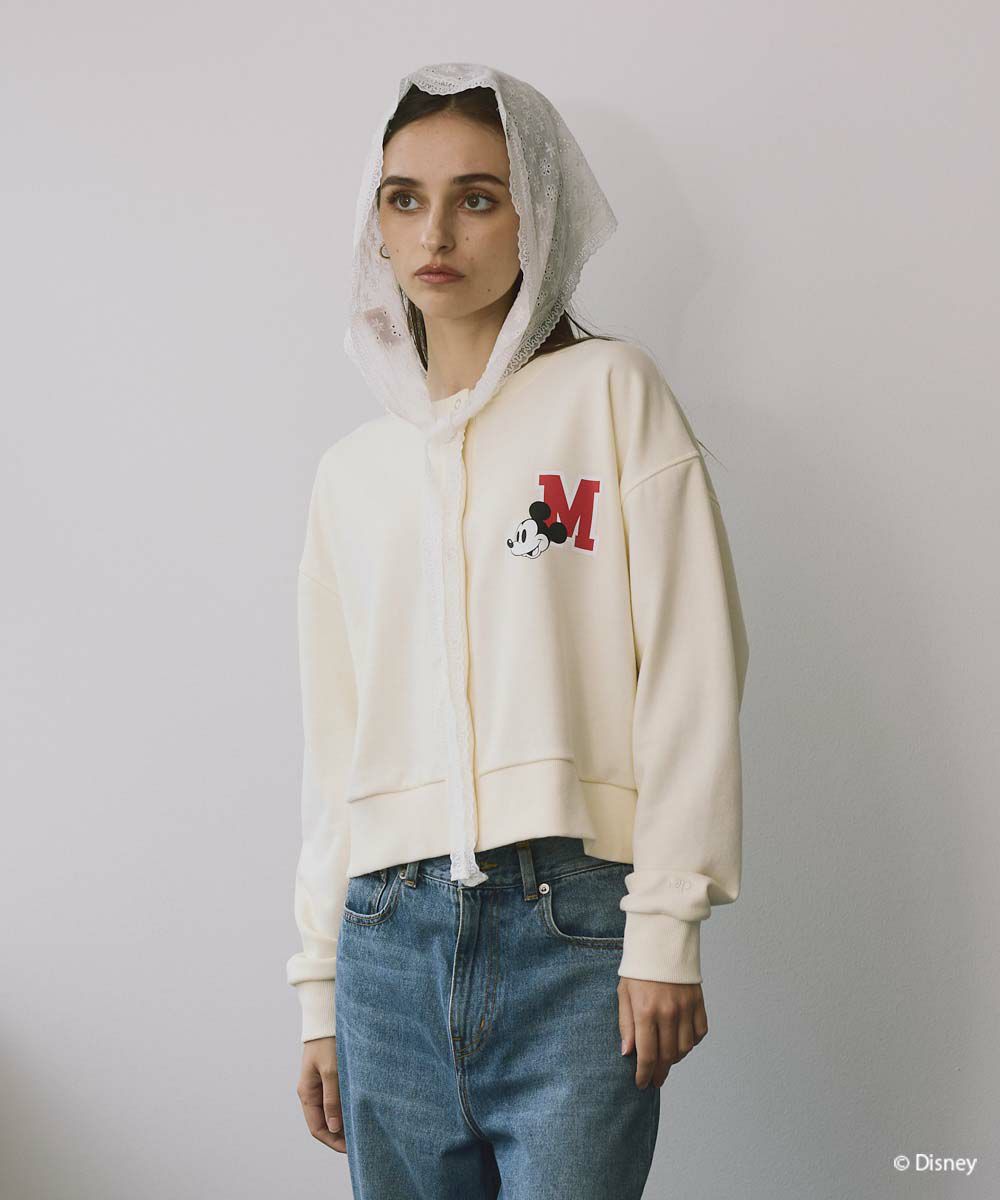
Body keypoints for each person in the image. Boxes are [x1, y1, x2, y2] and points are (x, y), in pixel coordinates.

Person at [287, 62, 750, 1198]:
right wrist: (317, 988)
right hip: (383, 941)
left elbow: (691, 667)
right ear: (375, 224)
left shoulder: (611, 395)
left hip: (575, 931)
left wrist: (666, 925)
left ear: (536, 217)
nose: (436, 232)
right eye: (405, 199)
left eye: (478, 198)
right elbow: (334, 746)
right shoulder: (352, 474)